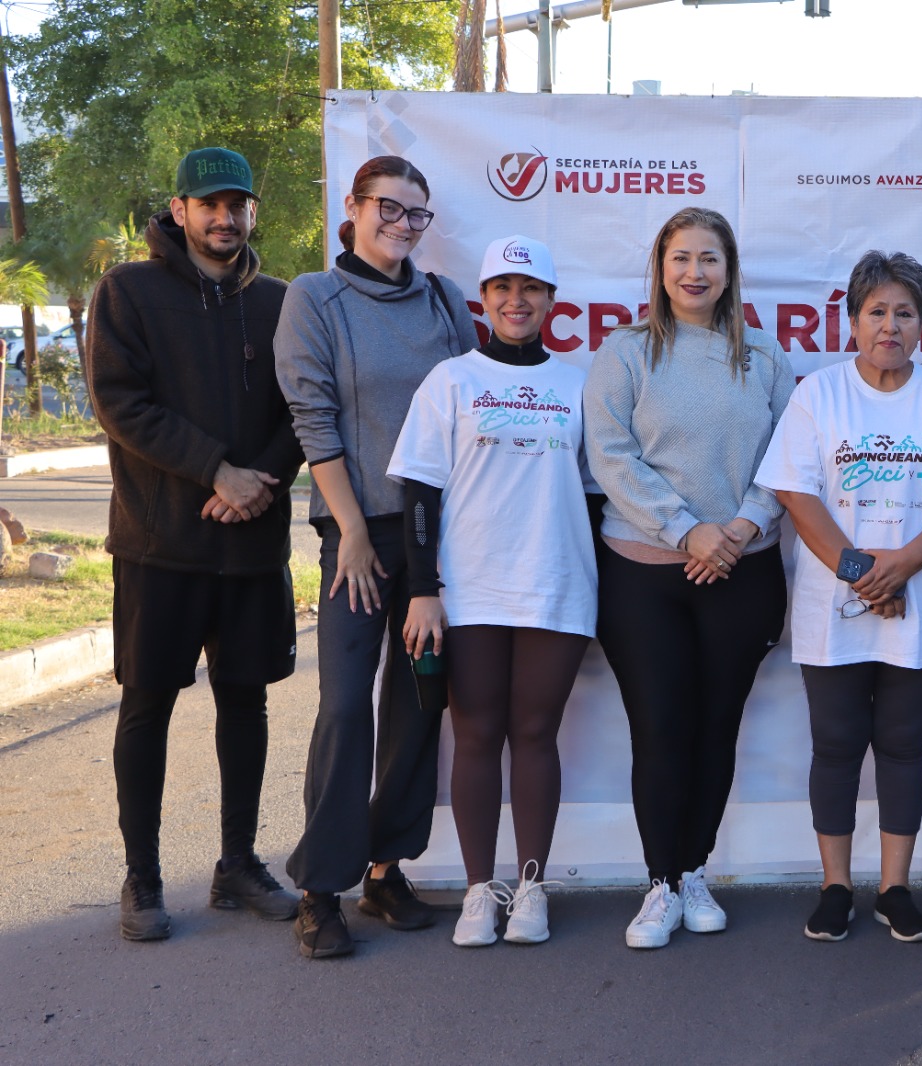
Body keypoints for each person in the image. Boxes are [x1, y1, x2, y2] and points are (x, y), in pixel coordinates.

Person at [87, 147, 303, 941]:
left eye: (236, 204)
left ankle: (236, 866)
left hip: (252, 545)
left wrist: (259, 481)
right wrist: (215, 470)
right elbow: (120, 403)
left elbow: (303, 407)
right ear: (177, 211)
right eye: (208, 204)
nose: (224, 218)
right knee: (147, 707)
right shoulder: (128, 292)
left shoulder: (282, 302)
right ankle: (142, 880)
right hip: (158, 543)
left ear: (251, 213)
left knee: (246, 701)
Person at [275, 154, 478, 958]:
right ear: (352, 211)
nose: (400, 224)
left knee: (420, 701)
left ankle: (385, 869)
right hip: (355, 533)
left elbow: (472, 402)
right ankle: (320, 886)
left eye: (415, 214)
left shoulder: (443, 301)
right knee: (345, 703)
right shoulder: (313, 298)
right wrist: (352, 530)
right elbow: (313, 417)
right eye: (387, 208)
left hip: (435, 535)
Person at [757, 251, 922, 943]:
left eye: (905, 312)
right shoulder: (818, 395)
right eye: (877, 311)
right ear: (853, 319)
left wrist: (904, 566)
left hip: (919, 599)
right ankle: (835, 887)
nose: (890, 324)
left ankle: (894, 888)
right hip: (837, 603)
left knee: (901, 744)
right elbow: (796, 493)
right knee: (834, 745)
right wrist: (864, 572)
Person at [583, 207, 794, 950]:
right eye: (681, 258)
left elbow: (788, 463)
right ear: (660, 267)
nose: (695, 272)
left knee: (716, 726)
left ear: (729, 271)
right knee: (661, 727)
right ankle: (661, 882)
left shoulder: (764, 358)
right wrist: (685, 529)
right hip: (644, 575)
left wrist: (735, 530)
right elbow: (609, 454)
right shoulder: (627, 352)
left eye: (709, 258)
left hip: (742, 569)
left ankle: (695, 868)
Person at [387, 236, 595, 948]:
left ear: (550, 301)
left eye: (531, 288)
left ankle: (531, 887)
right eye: (503, 288)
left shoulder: (578, 385)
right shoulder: (451, 381)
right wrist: (423, 590)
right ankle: (482, 890)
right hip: (468, 588)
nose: (517, 300)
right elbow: (419, 493)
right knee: (475, 734)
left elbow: (596, 498)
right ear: (484, 299)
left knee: (536, 733)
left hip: (556, 584)